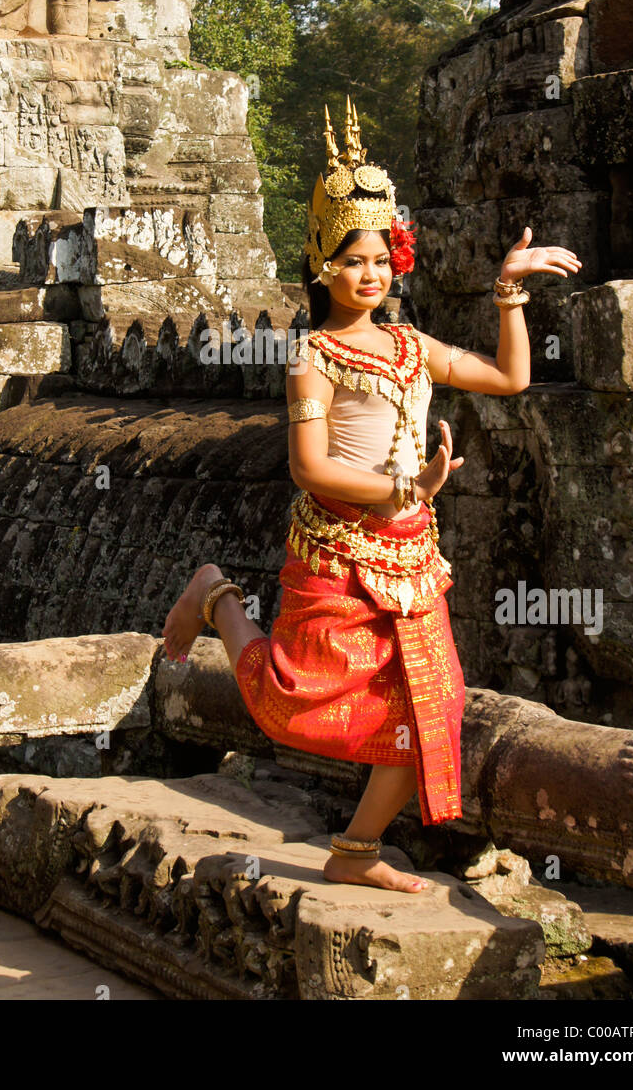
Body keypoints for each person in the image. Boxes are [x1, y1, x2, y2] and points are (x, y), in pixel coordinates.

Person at [162, 98, 582, 893]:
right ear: (322, 262)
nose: (371, 274)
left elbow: (511, 378)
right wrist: (405, 485)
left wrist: (508, 293)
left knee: (433, 712)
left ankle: (354, 854)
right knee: (288, 705)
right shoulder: (312, 358)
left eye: (382, 259)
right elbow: (310, 469)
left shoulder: (410, 345)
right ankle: (217, 596)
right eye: (355, 260)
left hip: (411, 557)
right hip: (335, 551)